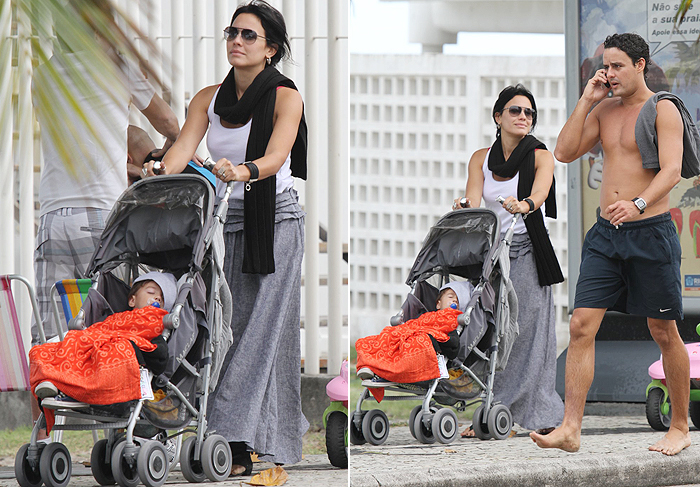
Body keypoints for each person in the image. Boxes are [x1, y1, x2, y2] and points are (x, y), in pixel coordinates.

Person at [149, 0, 308, 475]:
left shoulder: (285, 96)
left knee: (252, 336)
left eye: (249, 35)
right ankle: (272, 438)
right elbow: (182, 149)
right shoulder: (207, 98)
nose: (236, 41)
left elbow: (278, 155)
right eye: (231, 32)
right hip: (223, 225)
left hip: (274, 225)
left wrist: (243, 170)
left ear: (270, 49)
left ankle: (232, 441)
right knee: (240, 333)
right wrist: (160, 169)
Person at [530, 33, 697, 456]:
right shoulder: (603, 109)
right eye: (605, 65)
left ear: (640, 65)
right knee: (581, 325)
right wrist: (587, 99)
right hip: (606, 236)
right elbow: (565, 152)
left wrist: (638, 203)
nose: (609, 73)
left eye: (618, 65)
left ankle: (679, 426)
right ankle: (570, 428)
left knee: (662, 330)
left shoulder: (662, 109)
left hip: (650, 233)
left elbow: (673, 170)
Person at [30, 27, 180, 441]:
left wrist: (132, 156)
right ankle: (120, 435)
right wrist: (163, 154)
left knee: (51, 330)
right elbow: (169, 120)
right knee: (112, 326)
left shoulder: (43, 72)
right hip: (102, 218)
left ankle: (44, 441)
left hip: (54, 217)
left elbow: (94, 134)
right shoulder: (118, 65)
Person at [453, 84, 565, 438]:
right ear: (498, 116)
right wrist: (465, 206)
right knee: (492, 331)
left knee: (529, 334)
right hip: (493, 254)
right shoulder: (480, 158)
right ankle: (494, 410)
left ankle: (538, 413)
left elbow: (540, 192)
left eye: (529, 113)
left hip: (529, 250)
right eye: (515, 111)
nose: (523, 117)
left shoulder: (540, 155)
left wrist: (525, 205)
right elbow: (474, 197)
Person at [29, 272, 177, 430]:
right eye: (151, 292)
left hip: (122, 348)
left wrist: (141, 347)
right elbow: (100, 329)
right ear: (132, 300)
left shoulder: (155, 325)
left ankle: (70, 390)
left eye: (161, 300)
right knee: (50, 349)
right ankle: (54, 383)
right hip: (100, 340)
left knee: (117, 351)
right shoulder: (117, 317)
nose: (156, 299)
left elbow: (159, 356)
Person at [355, 281, 473, 384]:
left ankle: (385, 371)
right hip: (411, 332)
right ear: (438, 304)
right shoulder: (427, 315)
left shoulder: (454, 320)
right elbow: (414, 324)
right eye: (450, 297)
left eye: (457, 301)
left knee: (416, 343)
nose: (454, 301)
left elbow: (452, 344)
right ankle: (369, 366)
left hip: (428, 339)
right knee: (384, 336)